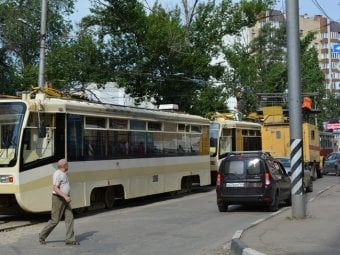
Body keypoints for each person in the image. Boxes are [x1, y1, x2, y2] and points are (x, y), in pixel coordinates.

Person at [38, 159, 80, 245]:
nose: (68, 166)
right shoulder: (57, 174)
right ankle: (42, 236)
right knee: (55, 220)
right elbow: (55, 188)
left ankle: (70, 239)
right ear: (64, 166)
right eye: (67, 164)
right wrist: (65, 196)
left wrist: (67, 195)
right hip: (58, 199)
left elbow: (64, 186)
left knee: (69, 217)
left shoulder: (63, 174)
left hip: (65, 199)